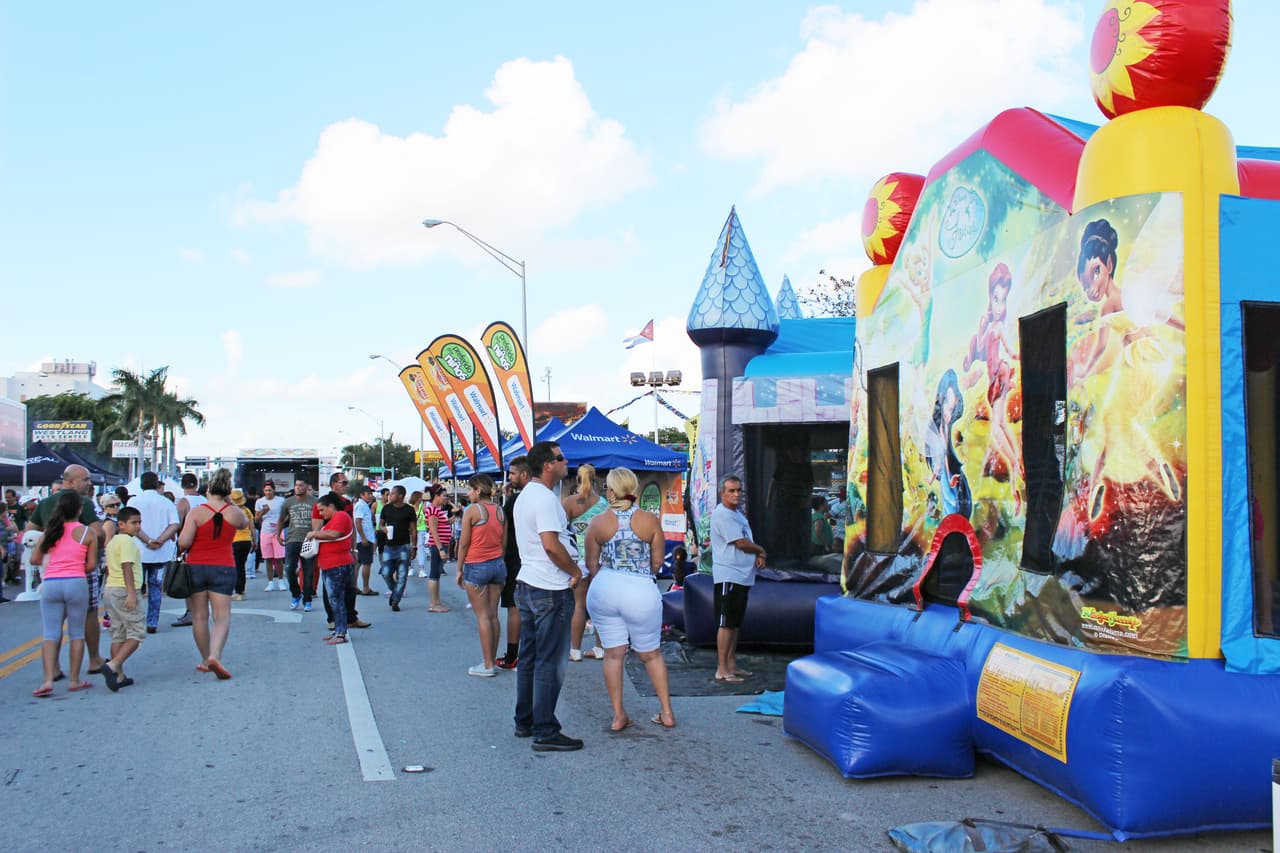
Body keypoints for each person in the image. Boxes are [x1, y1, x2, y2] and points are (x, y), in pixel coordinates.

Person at [584, 467, 676, 730]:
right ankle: (666, 712)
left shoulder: (598, 522)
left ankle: (618, 715)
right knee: (652, 654)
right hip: (640, 590)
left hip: (605, 588)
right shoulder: (649, 520)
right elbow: (657, 563)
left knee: (613, 655)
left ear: (611, 490)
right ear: (634, 489)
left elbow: (592, 565)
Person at [513, 440, 584, 752]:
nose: (566, 462)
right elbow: (551, 545)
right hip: (549, 586)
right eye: (560, 458)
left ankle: (525, 719)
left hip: (529, 583)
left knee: (529, 657)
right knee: (549, 661)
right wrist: (575, 572)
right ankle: (545, 728)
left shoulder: (527, 496)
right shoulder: (544, 499)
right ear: (547, 465)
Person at [28, 464, 106, 673]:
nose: (89, 483)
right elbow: (98, 533)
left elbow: (29, 531)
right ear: (70, 482)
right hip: (78, 570)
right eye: (85, 480)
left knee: (52, 625)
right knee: (88, 615)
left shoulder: (44, 503)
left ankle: (52, 669)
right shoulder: (84, 504)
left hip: (51, 572)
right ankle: (93, 659)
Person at [177, 468, 248, 680]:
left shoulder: (197, 512)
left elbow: (184, 542)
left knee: (199, 616)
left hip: (196, 566)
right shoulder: (234, 513)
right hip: (224, 566)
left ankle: (205, 659)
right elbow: (245, 523)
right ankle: (216, 655)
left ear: (208, 490)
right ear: (227, 491)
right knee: (222, 616)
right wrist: (230, 502)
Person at [711, 474, 766, 683]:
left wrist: (758, 554)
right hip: (729, 574)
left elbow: (745, 542)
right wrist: (761, 550)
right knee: (726, 623)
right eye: (731, 491)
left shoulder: (737, 515)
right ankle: (722, 668)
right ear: (722, 493)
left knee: (734, 623)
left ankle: (731, 663)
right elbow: (741, 543)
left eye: (738, 490)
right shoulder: (723, 515)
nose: (736, 494)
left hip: (742, 575)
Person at [455, 473, 507, 676]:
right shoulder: (500, 511)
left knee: (483, 616)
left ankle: (487, 665)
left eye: (470, 489)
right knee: (493, 615)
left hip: (476, 565)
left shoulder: (472, 511)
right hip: (497, 565)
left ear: (478, 490)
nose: (468, 493)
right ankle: (491, 660)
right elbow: (504, 542)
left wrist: (459, 569)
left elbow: (464, 543)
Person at [126, 472, 180, 634]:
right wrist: (160, 540)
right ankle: (152, 621)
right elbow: (174, 524)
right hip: (161, 553)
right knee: (155, 587)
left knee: (135, 587)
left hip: (138, 551)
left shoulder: (133, 501)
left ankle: (134, 622)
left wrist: (147, 540)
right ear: (157, 484)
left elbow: (131, 525)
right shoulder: (166, 502)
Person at [314, 473, 366, 631]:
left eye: (346, 483)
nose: (346, 486)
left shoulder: (347, 504)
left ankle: (351, 617)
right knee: (330, 588)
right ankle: (333, 619)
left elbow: (352, 527)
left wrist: (355, 548)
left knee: (350, 586)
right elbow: (316, 529)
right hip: (330, 552)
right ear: (333, 484)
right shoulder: (322, 504)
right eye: (343, 483)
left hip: (345, 552)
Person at [100, 506, 145, 691]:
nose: (137, 526)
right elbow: (127, 566)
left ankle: (118, 676)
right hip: (124, 589)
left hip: (111, 589)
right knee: (137, 632)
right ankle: (113, 665)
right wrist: (132, 593)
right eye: (134, 523)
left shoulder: (112, 542)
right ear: (121, 524)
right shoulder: (127, 542)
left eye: (139, 523)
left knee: (118, 632)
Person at [566, 464, 606, 661]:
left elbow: (561, 532)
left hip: (579, 559)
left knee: (579, 605)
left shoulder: (569, 502)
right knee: (598, 605)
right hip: (599, 559)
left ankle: (575, 650)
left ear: (577, 480)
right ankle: (599, 648)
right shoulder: (604, 503)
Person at [306, 493, 356, 644]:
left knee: (336, 599)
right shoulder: (334, 519)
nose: (320, 514)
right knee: (334, 599)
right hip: (331, 565)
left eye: (322, 510)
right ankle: (338, 630)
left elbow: (334, 534)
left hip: (337, 565)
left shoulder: (341, 516)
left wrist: (315, 533)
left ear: (331, 506)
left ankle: (341, 633)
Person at [495, 456, 530, 669]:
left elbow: (504, 528)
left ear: (524, 474)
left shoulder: (516, 501)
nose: (510, 477)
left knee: (514, 607)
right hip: (531, 559)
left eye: (513, 473)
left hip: (515, 558)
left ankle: (512, 655)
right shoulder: (540, 497)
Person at [170, 473, 208, 628]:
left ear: (182, 486)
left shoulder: (184, 502)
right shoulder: (205, 501)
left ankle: (191, 612)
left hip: (190, 544)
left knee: (188, 580)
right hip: (206, 544)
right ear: (196, 485)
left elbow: (178, 524)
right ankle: (201, 611)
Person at [278, 479, 318, 611]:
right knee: (289, 570)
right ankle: (296, 594)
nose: (298, 488)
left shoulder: (315, 502)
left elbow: (321, 519)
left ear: (307, 487)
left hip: (308, 540)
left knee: (308, 573)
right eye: (296, 485)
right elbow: (280, 519)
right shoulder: (288, 502)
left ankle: (307, 600)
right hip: (292, 539)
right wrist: (278, 535)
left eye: (301, 485)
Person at [378, 485, 416, 611]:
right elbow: (381, 524)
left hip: (404, 546)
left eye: (393, 494)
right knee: (385, 572)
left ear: (400, 496)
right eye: (390, 494)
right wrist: (383, 529)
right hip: (389, 545)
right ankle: (395, 592)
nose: (390, 496)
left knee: (402, 574)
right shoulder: (386, 508)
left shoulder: (409, 510)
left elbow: (413, 529)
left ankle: (396, 601)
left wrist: (414, 547)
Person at [423, 485, 452, 612]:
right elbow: (433, 530)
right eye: (444, 495)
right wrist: (440, 548)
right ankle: (433, 604)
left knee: (437, 573)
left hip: (441, 544)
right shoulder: (433, 510)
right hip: (437, 545)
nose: (446, 498)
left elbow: (440, 525)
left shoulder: (437, 510)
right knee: (434, 573)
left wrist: (448, 522)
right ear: (436, 496)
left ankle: (437, 602)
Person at [255, 481, 287, 591]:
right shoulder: (259, 501)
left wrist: (281, 523)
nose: (268, 492)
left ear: (274, 490)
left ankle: (281, 581)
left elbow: (287, 515)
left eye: (270, 490)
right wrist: (263, 512)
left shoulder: (281, 500)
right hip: (265, 531)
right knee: (268, 558)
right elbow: (256, 518)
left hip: (278, 531)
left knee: (279, 558)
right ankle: (270, 582)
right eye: (266, 490)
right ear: (263, 491)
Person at [228, 489, 256, 600]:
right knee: (241, 567)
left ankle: (238, 592)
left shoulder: (231, 511)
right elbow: (252, 527)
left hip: (235, 541)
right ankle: (241, 590)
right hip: (246, 541)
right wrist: (255, 541)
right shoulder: (247, 511)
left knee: (236, 567)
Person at [353, 485, 379, 595]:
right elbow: (358, 523)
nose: (370, 496)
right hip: (364, 539)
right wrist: (363, 538)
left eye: (370, 494)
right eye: (367, 494)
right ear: (361, 495)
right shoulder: (361, 506)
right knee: (366, 563)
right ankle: (365, 587)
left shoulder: (364, 505)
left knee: (358, 563)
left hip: (365, 538)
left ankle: (354, 586)